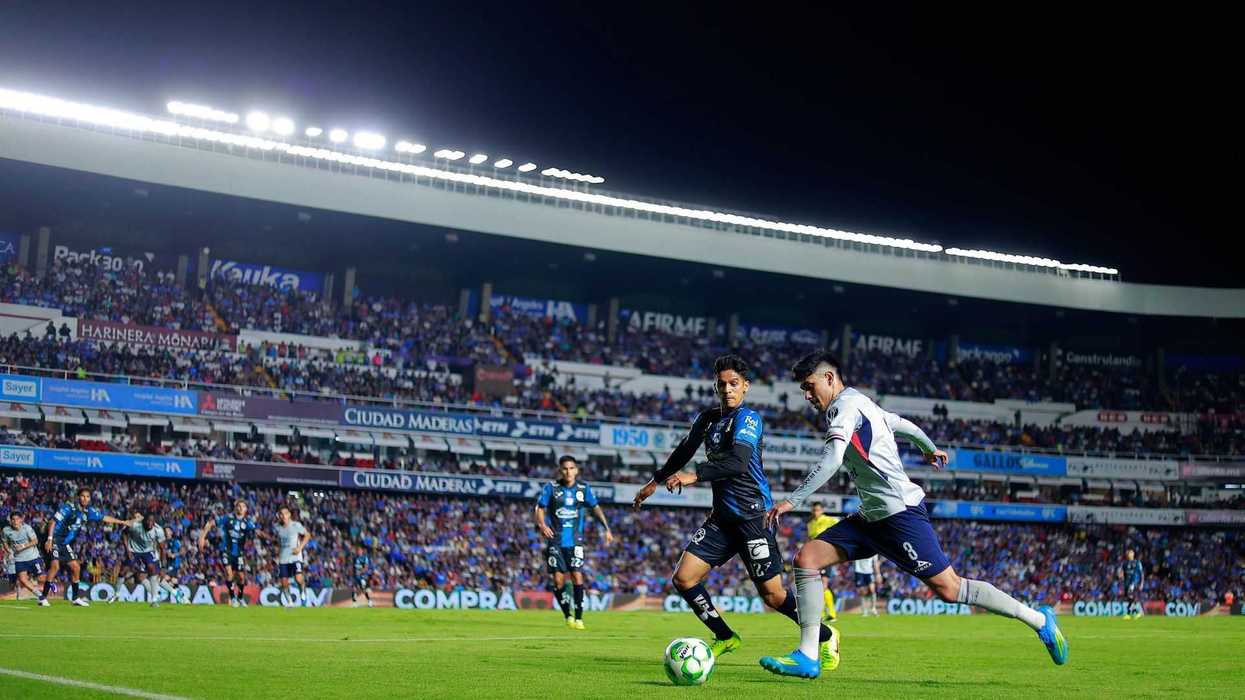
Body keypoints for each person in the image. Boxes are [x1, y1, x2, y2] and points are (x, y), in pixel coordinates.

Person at [759, 350, 1068, 679]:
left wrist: (792, 500)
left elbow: (834, 458)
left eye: (810, 386)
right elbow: (901, 424)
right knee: (807, 559)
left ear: (830, 378)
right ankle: (808, 655)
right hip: (870, 519)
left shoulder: (844, 408)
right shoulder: (863, 404)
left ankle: (1039, 620)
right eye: (803, 390)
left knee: (950, 589)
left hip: (899, 516)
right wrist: (928, 447)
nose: (807, 396)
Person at [633, 354, 840, 670]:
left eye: (733, 384)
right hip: (722, 519)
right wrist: (655, 481)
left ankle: (825, 636)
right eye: (721, 384)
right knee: (684, 579)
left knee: (773, 597)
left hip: (753, 518)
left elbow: (738, 463)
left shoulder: (749, 419)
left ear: (745, 386)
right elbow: (684, 450)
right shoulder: (708, 419)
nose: (727, 390)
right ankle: (726, 636)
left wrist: (695, 475)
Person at [535, 455, 613, 629]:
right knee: (558, 581)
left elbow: (596, 508)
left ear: (576, 470)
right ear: (560, 470)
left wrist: (606, 528)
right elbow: (540, 508)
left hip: (575, 541)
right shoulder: (552, 488)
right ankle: (567, 615)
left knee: (577, 575)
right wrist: (541, 524)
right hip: (555, 540)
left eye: (571, 468)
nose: (568, 472)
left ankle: (579, 617)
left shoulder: (583, 489)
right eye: (565, 468)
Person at [40, 487, 136, 607]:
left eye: (87, 497)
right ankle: (43, 597)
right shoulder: (68, 507)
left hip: (64, 543)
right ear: (78, 497)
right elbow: (53, 522)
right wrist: (49, 539)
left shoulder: (88, 512)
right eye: (83, 496)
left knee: (76, 567)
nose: (85, 499)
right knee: (55, 566)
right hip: (54, 538)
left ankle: (75, 598)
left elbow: (104, 517)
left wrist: (122, 522)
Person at [198, 499, 257, 608]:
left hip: (238, 553)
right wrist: (202, 537)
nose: (240, 508)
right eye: (238, 506)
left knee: (241, 577)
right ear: (236, 507)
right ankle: (233, 598)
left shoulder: (247, 522)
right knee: (229, 574)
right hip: (226, 550)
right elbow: (211, 523)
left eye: (243, 506)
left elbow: (257, 531)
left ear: (246, 510)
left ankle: (240, 597)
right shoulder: (228, 518)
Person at [120, 509, 179, 607]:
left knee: (151, 576)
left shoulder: (152, 526)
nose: (136, 518)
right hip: (144, 554)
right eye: (135, 517)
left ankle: (168, 594)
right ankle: (164, 595)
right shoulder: (136, 526)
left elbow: (161, 540)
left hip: (152, 555)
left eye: (138, 516)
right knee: (141, 577)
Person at [3, 512, 46, 605]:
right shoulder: (6, 530)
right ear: (10, 521)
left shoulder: (27, 528)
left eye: (17, 519)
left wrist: (22, 546)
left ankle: (51, 583)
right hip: (19, 559)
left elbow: (35, 541)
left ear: (21, 520)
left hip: (32, 557)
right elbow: (4, 541)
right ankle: (40, 596)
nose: (15, 521)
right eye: (13, 519)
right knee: (22, 579)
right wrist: (9, 551)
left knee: (41, 578)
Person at [806, 502, 839, 621]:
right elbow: (809, 539)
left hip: (825, 556)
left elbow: (841, 523)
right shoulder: (810, 524)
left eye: (818, 510)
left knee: (823, 585)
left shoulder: (828, 520)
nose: (816, 512)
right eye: (814, 510)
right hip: (815, 558)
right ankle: (824, 614)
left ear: (822, 510)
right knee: (817, 586)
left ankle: (831, 614)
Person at [272, 505, 310, 608]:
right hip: (283, 558)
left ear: (289, 515)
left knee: (298, 579)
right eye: (281, 514)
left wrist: (300, 548)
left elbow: (307, 535)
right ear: (279, 516)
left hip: (296, 557)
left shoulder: (296, 525)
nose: (283, 516)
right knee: (284, 582)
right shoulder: (277, 527)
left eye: (285, 513)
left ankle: (303, 591)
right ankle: (289, 602)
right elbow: (277, 541)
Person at [1121, 549, 1144, 619]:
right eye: (1129, 553)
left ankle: (1133, 613)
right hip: (1126, 583)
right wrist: (1122, 579)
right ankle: (1133, 613)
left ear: (1133, 554)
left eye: (1131, 553)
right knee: (1128, 598)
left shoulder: (1137, 562)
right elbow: (1123, 574)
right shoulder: (1125, 563)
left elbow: (1141, 573)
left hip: (1133, 582)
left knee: (1130, 595)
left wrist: (1141, 583)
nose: (1130, 554)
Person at [351, 544, 373, 608]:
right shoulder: (355, 558)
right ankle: (354, 603)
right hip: (355, 576)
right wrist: (353, 573)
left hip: (362, 576)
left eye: (359, 550)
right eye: (357, 550)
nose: (358, 551)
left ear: (362, 551)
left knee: (363, 590)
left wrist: (360, 572)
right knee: (354, 589)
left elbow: (366, 568)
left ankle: (369, 601)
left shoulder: (365, 558)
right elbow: (353, 567)